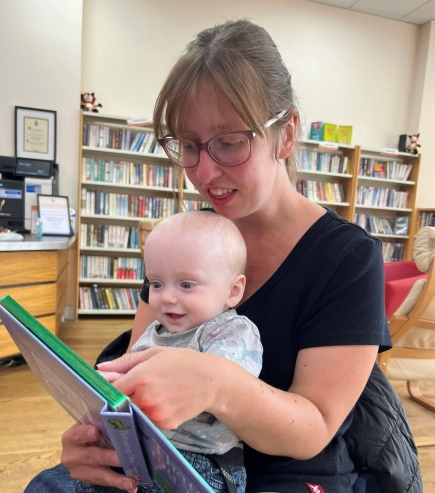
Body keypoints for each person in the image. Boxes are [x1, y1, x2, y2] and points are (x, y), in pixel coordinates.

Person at [26, 19, 394, 493]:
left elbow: (314, 427)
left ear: (286, 135)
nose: (204, 170)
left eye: (229, 142)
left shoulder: (346, 257)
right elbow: (137, 374)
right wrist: (98, 440)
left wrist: (217, 383)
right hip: (168, 457)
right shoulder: (188, 238)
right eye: (189, 145)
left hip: (288, 474)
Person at [101, 210, 262, 492]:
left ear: (233, 290)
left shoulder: (230, 331)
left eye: (186, 285)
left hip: (204, 460)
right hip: (142, 448)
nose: (168, 297)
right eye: (156, 284)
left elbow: (221, 383)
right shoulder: (154, 332)